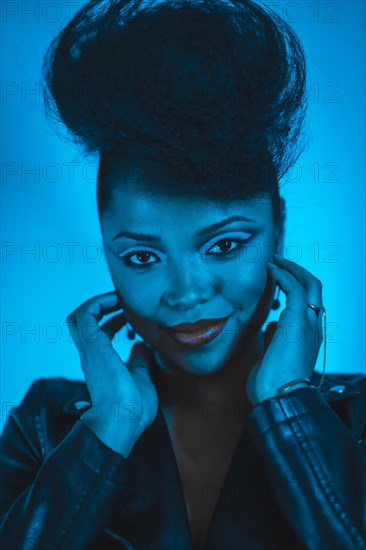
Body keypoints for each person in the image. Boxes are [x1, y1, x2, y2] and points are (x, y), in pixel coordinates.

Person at [1, 0, 365, 548]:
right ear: (106, 252)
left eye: (224, 245)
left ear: (278, 232)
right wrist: (111, 428)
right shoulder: (45, 426)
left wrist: (289, 401)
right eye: (143, 257)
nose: (188, 293)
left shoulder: (356, 419)